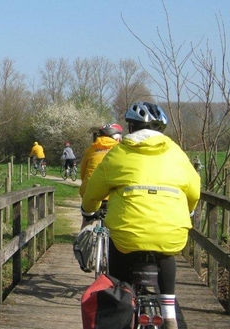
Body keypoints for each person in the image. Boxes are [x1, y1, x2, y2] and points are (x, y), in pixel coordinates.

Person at [81, 102, 201, 329]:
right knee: (166, 253)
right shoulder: (177, 154)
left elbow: (93, 190)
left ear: (131, 127)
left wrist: (88, 210)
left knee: (119, 253)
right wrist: (189, 209)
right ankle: (169, 314)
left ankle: (124, 303)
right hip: (170, 232)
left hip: (127, 235)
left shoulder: (118, 153)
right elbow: (194, 189)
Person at [79, 123, 123, 202]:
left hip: (89, 194)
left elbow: (83, 172)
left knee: (88, 212)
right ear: (117, 138)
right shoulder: (120, 150)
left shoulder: (91, 149)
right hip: (111, 196)